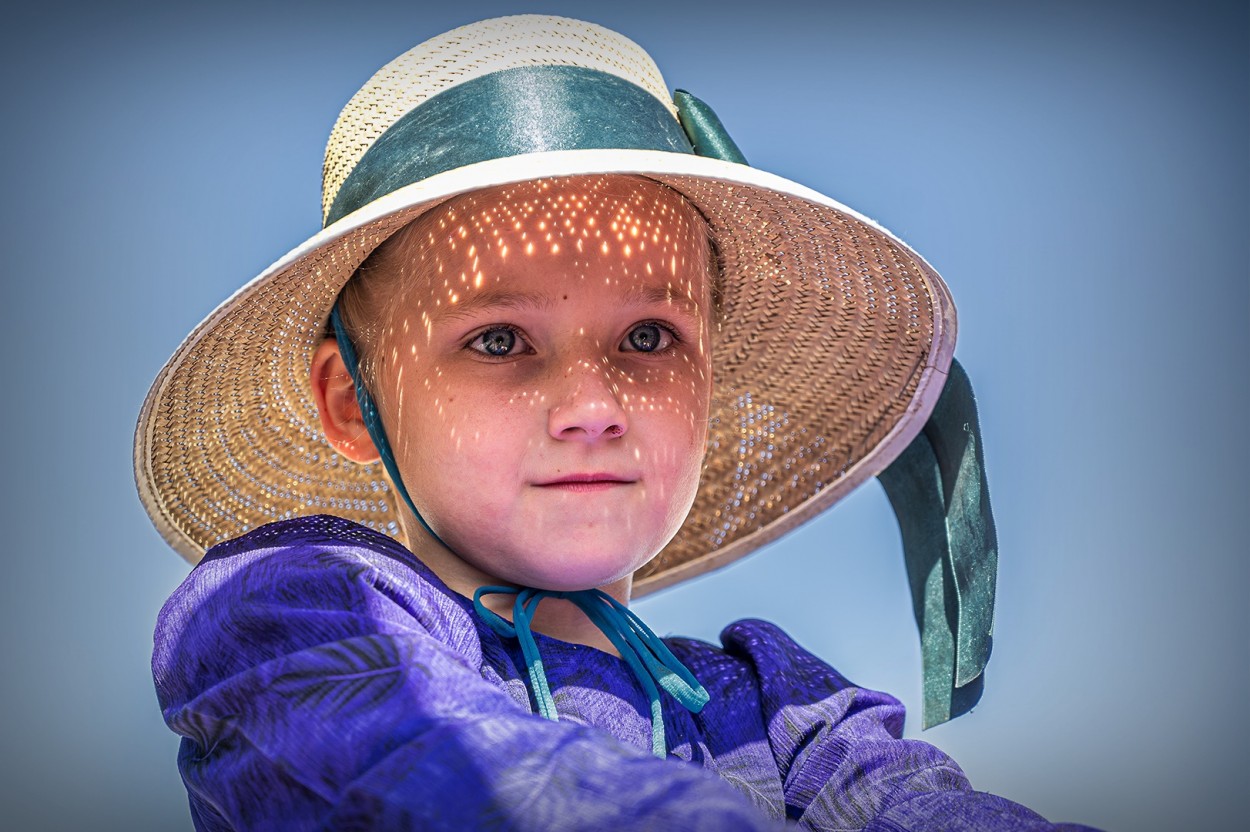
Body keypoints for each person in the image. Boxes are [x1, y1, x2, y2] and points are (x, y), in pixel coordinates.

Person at [138, 14, 1100, 831]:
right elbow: (442, 772)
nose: (593, 408)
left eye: (648, 335)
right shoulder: (293, 613)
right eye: (501, 340)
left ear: (709, 383)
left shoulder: (780, 703)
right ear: (356, 403)